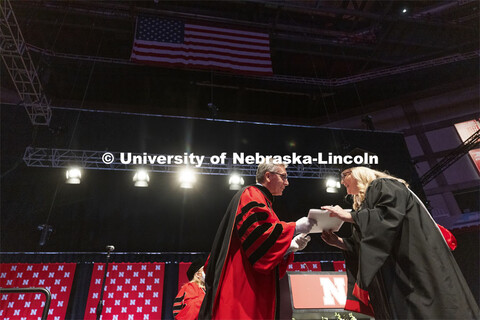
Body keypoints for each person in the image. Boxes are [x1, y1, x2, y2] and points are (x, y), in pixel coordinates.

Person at [321, 166, 480, 319]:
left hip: (411, 266)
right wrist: (340, 242)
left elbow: (388, 217)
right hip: (395, 271)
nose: (342, 182)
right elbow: (370, 241)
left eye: (345, 175)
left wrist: (349, 217)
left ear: (359, 174)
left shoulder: (383, 185)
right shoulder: (367, 205)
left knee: (427, 309)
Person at [198, 160, 315, 319]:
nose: (286, 183)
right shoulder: (251, 194)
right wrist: (294, 227)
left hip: (254, 284)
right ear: (268, 176)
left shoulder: (264, 202)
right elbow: (257, 235)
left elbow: (263, 246)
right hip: (242, 283)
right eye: (283, 177)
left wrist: (288, 248)